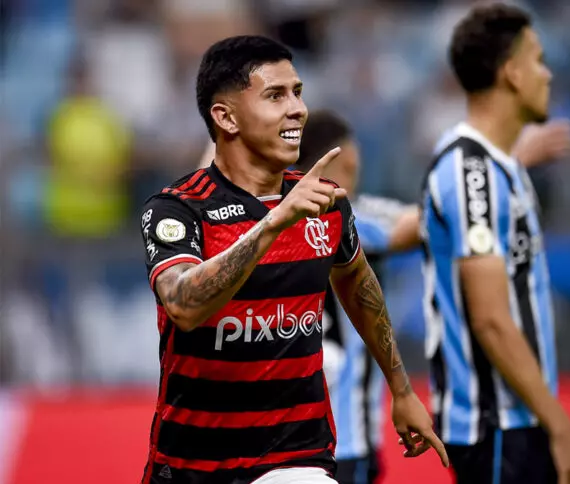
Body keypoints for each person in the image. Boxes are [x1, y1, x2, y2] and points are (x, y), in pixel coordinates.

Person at [138, 35, 448, 484]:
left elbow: (359, 287)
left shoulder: (326, 203)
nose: (297, 109)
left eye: (298, 92)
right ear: (225, 117)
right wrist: (273, 224)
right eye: (275, 95)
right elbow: (183, 305)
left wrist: (402, 389)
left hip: (297, 455)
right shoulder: (178, 209)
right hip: (192, 464)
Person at [281, 108, 570, 484]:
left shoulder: (297, 214)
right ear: (323, 168)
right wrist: (505, 165)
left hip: (336, 434)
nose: (353, 182)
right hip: (340, 436)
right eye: (350, 170)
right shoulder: (330, 217)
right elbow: (432, 218)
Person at [420, 4, 570, 484]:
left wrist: (515, 160)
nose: (549, 73)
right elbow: (492, 320)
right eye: (538, 59)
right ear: (512, 74)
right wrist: (562, 427)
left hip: (519, 420)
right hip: (495, 424)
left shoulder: (494, 168)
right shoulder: (471, 171)